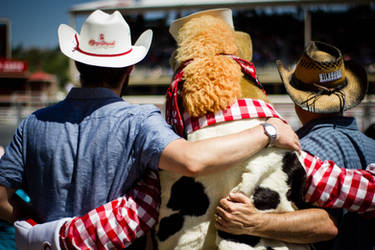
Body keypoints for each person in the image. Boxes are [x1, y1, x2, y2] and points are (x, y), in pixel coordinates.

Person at [0, 10, 300, 249]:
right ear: (129, 68)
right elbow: (192, 160)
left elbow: (1, 198)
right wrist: (267, 131)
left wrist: (49, 231)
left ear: (78, 63)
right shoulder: (138, 120)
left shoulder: (33, 123)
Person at [215, 41, 375, 249]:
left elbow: (326, 224)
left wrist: (254, 222)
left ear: (298, 99)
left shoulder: (303, 149)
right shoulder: (371, 144)